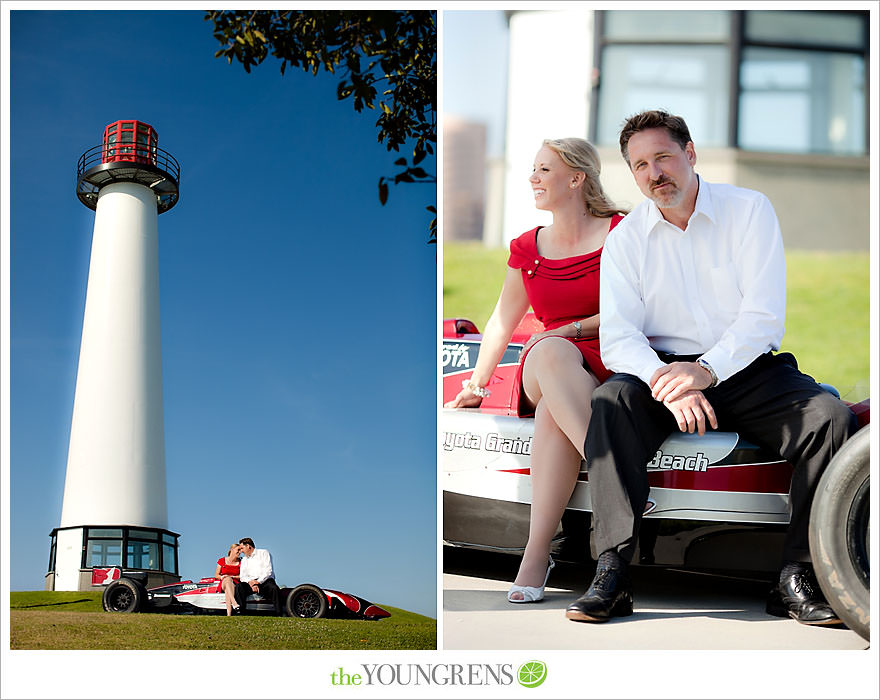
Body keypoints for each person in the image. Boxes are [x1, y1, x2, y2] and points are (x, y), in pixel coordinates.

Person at [565, 109, 858, 625]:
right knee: (610, 401)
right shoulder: (627, 238)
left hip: (743, 366)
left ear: (690, 153)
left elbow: (762, 316)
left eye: (663, 157)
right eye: (640, 165)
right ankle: (611, 572)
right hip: (662, 374)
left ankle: (798, 574)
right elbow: (619, 338)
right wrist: (667, 381)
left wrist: (705, 371)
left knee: (828, 419)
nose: (654, 173)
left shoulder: (748, 210)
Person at [445, 138, 627, 603]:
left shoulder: (622, 233)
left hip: (611, 359)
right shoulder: (528, 247)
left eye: (544, 170)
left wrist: (571, 329)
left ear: (576, 178)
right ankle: (614, 476)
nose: (533, 178)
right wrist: (477, 384)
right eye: (533, 169)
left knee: (552, 412)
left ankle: (536, 551)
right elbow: (503, 322)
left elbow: (639, 307)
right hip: (548, 361)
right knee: (547, 351)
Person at [234, 537, 281, 615]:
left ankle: (279, 613)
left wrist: (258, 582)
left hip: (264, 581)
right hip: (250, 583)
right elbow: (243, 576)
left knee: (274, 588)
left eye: (242, 548)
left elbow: (268, 571)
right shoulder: (244, 560)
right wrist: (251, 582)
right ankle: (241, 613)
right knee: (239, 587)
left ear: (248, 546)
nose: (241, 551)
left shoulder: (264, 553)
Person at [215, 543, 242, 616]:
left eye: (241, 550)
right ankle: (234, 603)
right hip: (223, 582)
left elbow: (242, 576)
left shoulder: (241, 562)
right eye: (238, 550)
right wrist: (222, 577)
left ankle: (229, 614)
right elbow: (217, 575)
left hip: (234, 583)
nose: (240, 552)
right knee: (227, 579)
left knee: (228, 589)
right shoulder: (222, 560)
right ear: (232, 550)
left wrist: (233, 577)